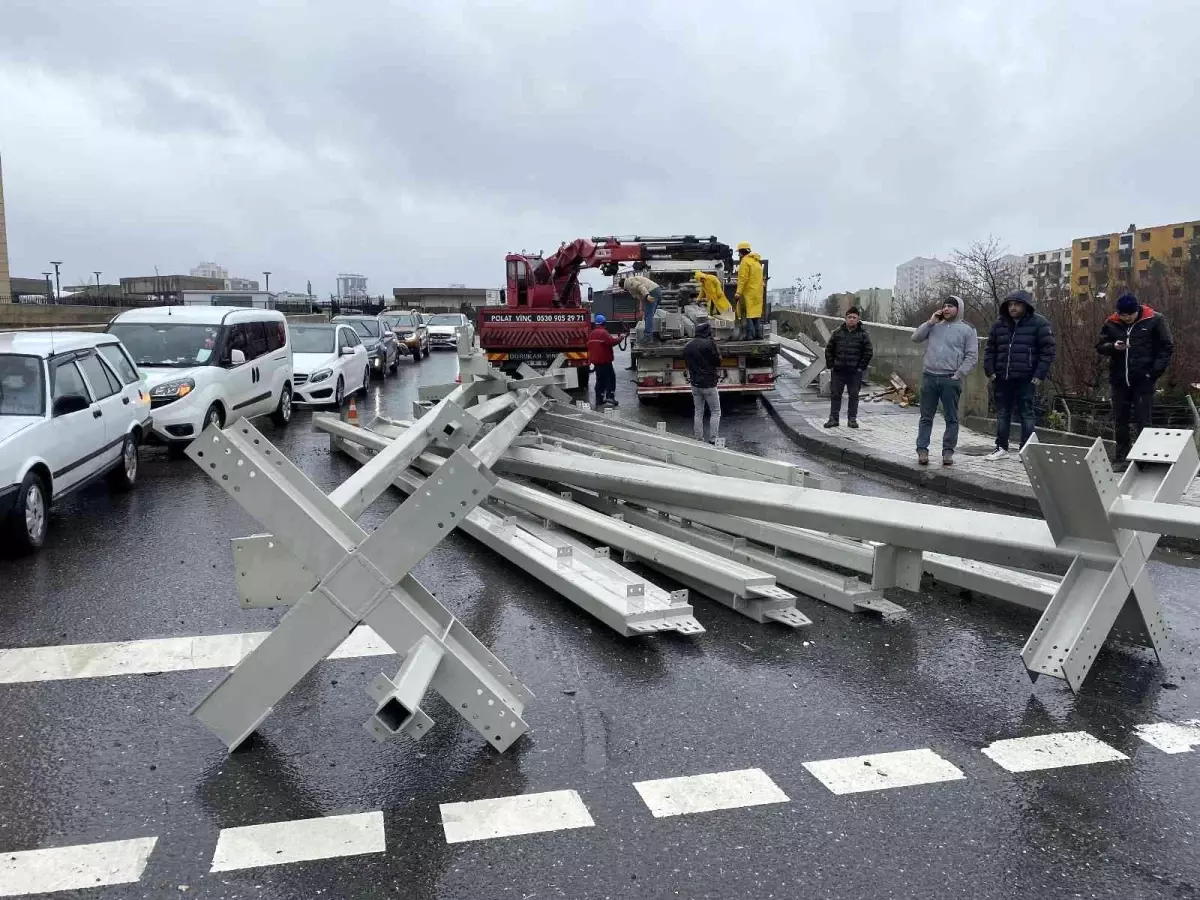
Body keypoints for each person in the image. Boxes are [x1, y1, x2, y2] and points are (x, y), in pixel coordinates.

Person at [1096, 292, 1173, 466]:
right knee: (1120, 419)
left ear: (1137, 310)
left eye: (1129, 315)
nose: (1126, 318)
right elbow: (1100, 346)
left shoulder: (1155, 320)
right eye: (1123, 315)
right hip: (1119, 379)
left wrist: (1153, 373)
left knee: (1143, 420)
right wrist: (1113, 347)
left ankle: (1143, 460)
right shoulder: (1111, 322)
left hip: (1143, 379)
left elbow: (1166, 347)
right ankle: (1121, 458)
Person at [982, 289, 1056, 460]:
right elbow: (990, 349)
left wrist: (1039, 374)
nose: (1013, 308)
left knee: (1026, 413)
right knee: (1002, 413)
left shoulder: (1039, 323)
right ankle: (1001, 448)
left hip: (1027, 377)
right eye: (1010, 305)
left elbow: (1048, 351)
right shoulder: (999, 324)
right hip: (1002, 376)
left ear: (1025, 306)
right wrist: (990, 371)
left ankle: (1026, 451)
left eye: (1016, 305)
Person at [911, 295, 978, 466]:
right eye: (945, 306)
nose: (946, 309)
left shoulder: (967, 329)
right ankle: (922, 450)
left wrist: (958, 374)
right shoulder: (934, 326)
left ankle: (948, 452)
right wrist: (930, 322)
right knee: (926, 417)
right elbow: (916, 338)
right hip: (929, 377)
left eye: (951, 306)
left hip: (950, 379)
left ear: (959, 309)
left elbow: (972, 356)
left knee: (951, 418)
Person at [824, 306, 873, 429]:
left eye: (854, 317)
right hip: (838, 371)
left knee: (853, 396)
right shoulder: (837, 332)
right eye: (849, 317)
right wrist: (831, 365)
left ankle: (852, 419)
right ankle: (833, 418)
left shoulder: (863, 334)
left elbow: (868, 352)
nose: (851, 319)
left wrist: (861, 367)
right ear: (845, 318)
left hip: (854, 372)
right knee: (835, 396)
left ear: (858, 319)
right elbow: (829, 349)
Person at [683, 320, 722, 442]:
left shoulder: (688, 346)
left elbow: (687, 363)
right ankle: (713, 438)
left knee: (698, 411)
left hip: (695, 383)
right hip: (709, 384)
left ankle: (698, 438)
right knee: (715, 411)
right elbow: (718, 361)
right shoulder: (710, 344)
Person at [587, 313, 622, 408]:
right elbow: (612, 342)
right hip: (605, 361)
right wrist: (621, 338)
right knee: (611, 378)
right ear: (603, 323)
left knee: (600, 380)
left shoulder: (592, 334)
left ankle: (599, 399)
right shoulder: (603, 333)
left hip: (596, 362)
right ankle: (610, 396)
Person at [617, 274, 663, 342]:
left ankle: (647, 337)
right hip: (657, 290)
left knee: (648, 315)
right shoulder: (632, 283)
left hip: (651, 292)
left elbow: (641, 287)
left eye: (622, 289)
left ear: (623, 285)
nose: (624, 290)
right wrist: (641, 308)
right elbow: (641, 297)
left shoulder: (629, 282)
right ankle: (651, 335)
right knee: (650, 315)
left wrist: (647, 296)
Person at [734, 242, 765, 339]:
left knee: (748, 315)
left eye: (739, 252)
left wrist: (738, 293)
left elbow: (743, 279)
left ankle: (750, 335)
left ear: (742, 252)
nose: (738, 255)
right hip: (758, 293)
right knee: (755, 314)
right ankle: (759, 335)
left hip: (749, 293)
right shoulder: (756, 262)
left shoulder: (745, 262)